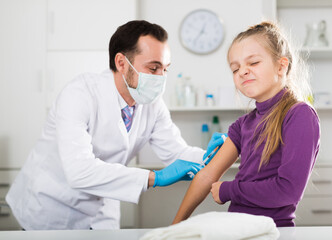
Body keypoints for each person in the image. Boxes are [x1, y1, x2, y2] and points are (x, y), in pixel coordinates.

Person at [6, 20, 226, 230]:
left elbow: (177, 153)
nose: (161, 78)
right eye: (153, 68)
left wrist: (215, 155)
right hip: (52, 206)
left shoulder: (152, 104)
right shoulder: (79, 94)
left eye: (165, 69)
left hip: (102, 211)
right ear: (122, 63)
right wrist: (154, 178)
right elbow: (79, 171)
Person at [172, 21, 320, 227]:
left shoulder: (299, 115)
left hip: (272, 230)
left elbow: (288, 191)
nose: (242, 71)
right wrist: (174, 227)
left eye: (253, 63)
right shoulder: (243, 124)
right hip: (238, 227)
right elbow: (207, 175)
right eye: (235, 68)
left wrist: (228, 190)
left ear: (281, 65)